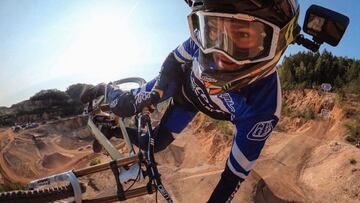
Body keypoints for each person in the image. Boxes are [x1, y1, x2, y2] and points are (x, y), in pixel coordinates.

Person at [81, 0, 300, 202]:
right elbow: (173, 60)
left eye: (242, 35)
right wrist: (158, 91)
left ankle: (110, 130)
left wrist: (158, 92)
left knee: (155, 143)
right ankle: (104, 89)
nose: (219, 54)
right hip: (180, 82)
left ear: (277, 41)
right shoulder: (262, 108)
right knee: (126, 106)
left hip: (189, 99)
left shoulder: (265, 108)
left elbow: (232, 177)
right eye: (212, 29)